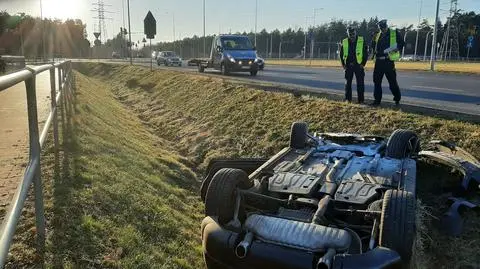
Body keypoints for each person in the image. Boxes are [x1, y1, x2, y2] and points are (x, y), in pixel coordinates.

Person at [370, 19, 405, 106]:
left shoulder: (394, 32)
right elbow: (374, 47)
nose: (383, 30)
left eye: (384, 28)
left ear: (386, 26)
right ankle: (377, 101)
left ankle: (397, 99)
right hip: (378, 62)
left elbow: (402, 43)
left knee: (392, 82)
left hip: (388, 61)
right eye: (381, 29)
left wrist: (396, 48)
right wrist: (373, 40)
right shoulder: (378, 35)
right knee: (377, 82)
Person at [340, 27, 368, 103]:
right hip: (348, 65)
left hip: (358, 65)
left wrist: (363, 63)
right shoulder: (344, 41)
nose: (352, 35)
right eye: (350, 34)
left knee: (360, 83)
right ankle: (348, 99)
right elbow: (341, 54)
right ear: (348, 34)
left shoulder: (361, 40)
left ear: (355, 32)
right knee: (348, 83)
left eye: (353, 34)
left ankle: (361, 100)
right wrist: (343, 64)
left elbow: (365, 53)